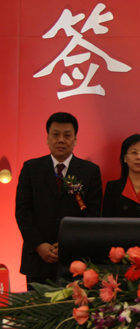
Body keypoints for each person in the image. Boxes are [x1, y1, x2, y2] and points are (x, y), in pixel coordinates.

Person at [15, 112, 102, 288]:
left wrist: (68, 245)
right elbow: (23, 211)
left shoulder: (90, 171)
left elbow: (92, 215)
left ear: (75, 139)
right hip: (37, 259)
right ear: (47, 138)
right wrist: (39, 245)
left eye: (67, 135)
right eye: (55, 135)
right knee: (37, 306)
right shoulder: (31, 168)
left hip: (75, 260)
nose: (61, 140)